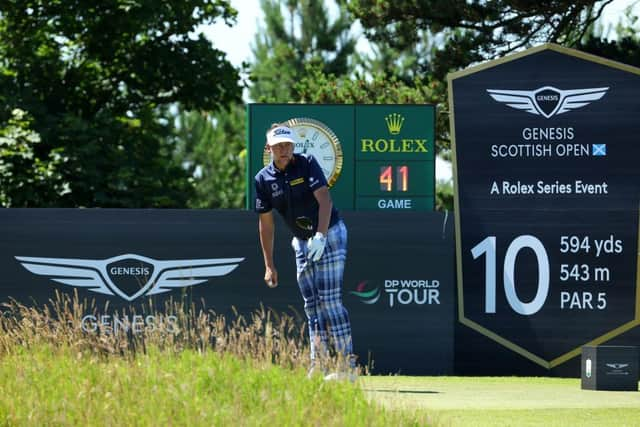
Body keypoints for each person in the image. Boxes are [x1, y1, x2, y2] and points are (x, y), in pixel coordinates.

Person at [254, 123, 355, 380]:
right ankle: (318, 364)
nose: (283, 150)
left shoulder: (307, 162)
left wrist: (320, 236)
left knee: (330, 300)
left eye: (287, 145)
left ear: (293, 145)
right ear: (269, 149)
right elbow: (266, 224)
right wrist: (269, 264)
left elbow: (325, 200)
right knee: (312, 305)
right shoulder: (262, 179)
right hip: (301, 241)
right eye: (278, 146)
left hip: (329, 233)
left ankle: (347, 367)